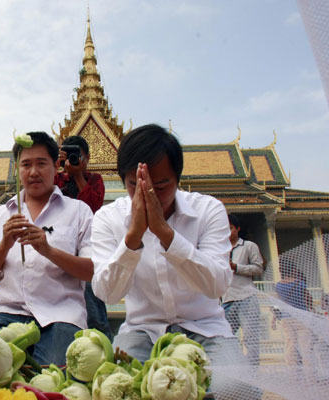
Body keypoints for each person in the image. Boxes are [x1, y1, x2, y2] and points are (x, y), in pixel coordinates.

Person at [91, 124, 237, 364]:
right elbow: (107, 293)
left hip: (206, 328)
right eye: (133, 186)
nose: (148, 194)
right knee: (115, 386)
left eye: (160, 187)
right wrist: (132, 238)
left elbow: (218, 285)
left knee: (233, 388)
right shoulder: (108, 219)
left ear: (178, 179)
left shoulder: (208, 210)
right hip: (143, 331)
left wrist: (166, 234)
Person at [0, 131, 94, 366]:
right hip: (7, 313)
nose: (34, 172)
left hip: (61, 316)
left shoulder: (79, 212)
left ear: (57, 165)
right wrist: (5, 245)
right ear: (17, 169)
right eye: (26, 165)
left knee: (52, 381)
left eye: (41, 163)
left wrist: (48, 250)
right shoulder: (1, 215)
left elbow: (91, 272)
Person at [54, 135, 112, 340]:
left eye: (76, 155)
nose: (72, 159)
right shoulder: (57, 179)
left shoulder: (94, 180)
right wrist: (55, 165)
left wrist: (79, 176)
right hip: (59, 248)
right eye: (68, 155)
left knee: (94, 311)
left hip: (87, 250)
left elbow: (92, 207)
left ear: (86, 157)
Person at [221, 214, 264, 366]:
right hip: (227, 300)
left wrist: (237, 267)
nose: (228, 232)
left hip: (246, 297)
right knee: (224, 338)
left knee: (250, 339)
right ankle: (234, 371)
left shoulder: (248, 246)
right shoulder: (220, 249)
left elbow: (258, 269)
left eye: (231, 228)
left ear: (238, 229)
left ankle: (252, 373)